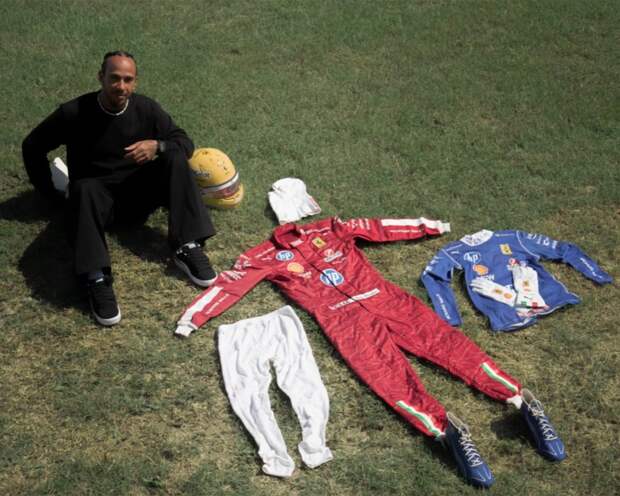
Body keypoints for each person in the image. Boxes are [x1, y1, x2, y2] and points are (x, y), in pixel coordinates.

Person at [22, 50, 217, 326]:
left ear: (135, 82)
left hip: (137, 198)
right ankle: (95, 278)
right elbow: (32, 146)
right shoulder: (74, 113)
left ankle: (187, 245)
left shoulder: (147, 109)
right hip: (95, 205)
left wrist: (157, 145)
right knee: (84, 187)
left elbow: (184, 142)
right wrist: (50, 193)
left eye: (128, 79)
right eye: (114, 78)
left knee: (174, 157)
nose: (121, 86)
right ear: (100, 77)